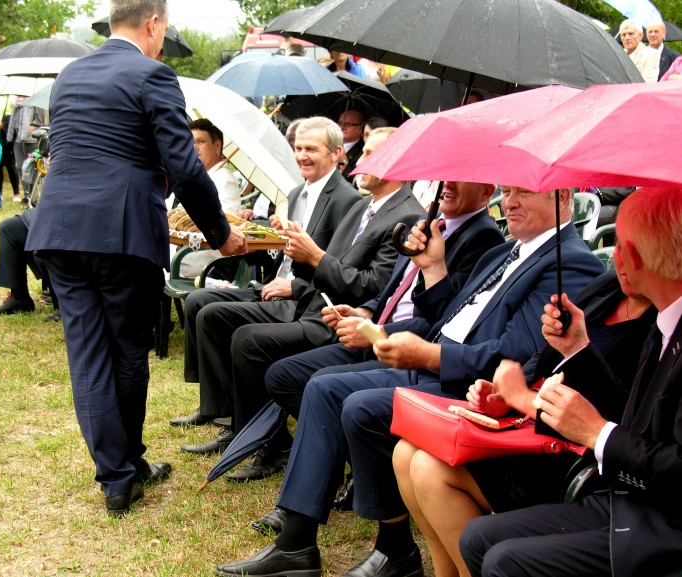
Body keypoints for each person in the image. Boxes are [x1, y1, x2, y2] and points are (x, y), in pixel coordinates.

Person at [214, 186, 604, 577]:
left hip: (472, 387)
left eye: (525, 193)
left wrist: (428, 355)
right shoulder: (503, 252)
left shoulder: (568, 263)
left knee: (359, 408)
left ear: (562, 198)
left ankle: (393, 548)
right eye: (509, 191)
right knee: (322, 387)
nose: (511, 202)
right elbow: (445, 319)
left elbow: (513, 358)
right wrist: (431, 271)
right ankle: (299, 542)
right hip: (433, 364)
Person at [25, 0, 247, 517]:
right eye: (163, 31)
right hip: (121, 231)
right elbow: (185, 167)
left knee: (88, 354)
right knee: (127, 350)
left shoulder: (69, 76)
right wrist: (220, 233)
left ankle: (119, 473)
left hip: (60, 227)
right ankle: (124, 471)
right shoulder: (153, 74)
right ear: (153, 24)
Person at [459, 187, 682, 577]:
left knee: (504, 561)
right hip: (629, 498)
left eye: (619, 245)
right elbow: (630, 414)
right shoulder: (665, 322)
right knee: (477, 537)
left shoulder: (665, 325)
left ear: (632, 257)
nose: (615, 257)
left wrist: (597, 432)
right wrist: (577, 349)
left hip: (664, 523)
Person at [254, 181, 504, 528]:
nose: (447, 185)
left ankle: (300, 521)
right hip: (375, 331)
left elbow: (447, 321)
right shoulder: (428, 223)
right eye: (443, 178)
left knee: (324, 386)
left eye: (460, 179)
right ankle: (357, 463)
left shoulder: (483, 238)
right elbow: (393, 287)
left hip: (407, 348)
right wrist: (366, 312)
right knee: (283, 376)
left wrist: (381, 332)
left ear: (487, 191)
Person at [180, 128, 422, 466]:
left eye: (370, 154)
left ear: (397, 161)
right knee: (213, 313)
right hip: (312, 302)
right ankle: (234, 424)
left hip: (336, 319)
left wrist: (313, 258)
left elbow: (373, 288)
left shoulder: (406, 215)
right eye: (364, 151)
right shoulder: (364, 206)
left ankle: (269, 444)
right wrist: (294, 248)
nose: (359, 160)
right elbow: (327, 264)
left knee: (247, 340)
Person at [393, 268, 654, 577]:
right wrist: (503, 395)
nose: (622, 259)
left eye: (635, 249)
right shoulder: (608, 287)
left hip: (574, 460)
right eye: (620, 246)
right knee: (404, 453)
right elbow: (545, 357)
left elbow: (621, 418)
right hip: (531, 430)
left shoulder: (663, 324)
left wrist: (524, 399)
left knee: (428, 468)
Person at [170, 117, 360, 429]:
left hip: (302, 298)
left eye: (311, 149)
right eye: (298, 148)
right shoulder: (296, 193)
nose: (302, 156)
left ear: (337, 153)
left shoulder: (347, 200)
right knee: (199, 301)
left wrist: (295, 286)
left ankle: (236, 417)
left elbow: (337, 265)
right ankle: (216, 405)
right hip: (273, 284)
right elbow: (281, 249)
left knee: (214, 314)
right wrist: (253, 243)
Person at [178, 118, 242, 279]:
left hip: (200, 261)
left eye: (200, 141)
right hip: (181, 252)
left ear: (217, 146)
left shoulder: (224, 180)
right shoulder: (195, 177)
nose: (194, 148)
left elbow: (222, 226)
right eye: (190, 142)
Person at [6, 96, 42, 202]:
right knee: (20, 167)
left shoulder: (35, 100)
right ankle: (26, 194)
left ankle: (33, 194)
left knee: (30, 167)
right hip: (18, 138)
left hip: (31, 139)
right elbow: (13, 120)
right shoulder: (16, 103)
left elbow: (39, 119)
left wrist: (33, 126)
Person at [619, 19, 659, 83]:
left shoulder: (651, 55)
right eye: (624, 35)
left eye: (631, 34)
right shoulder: (618, 54)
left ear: (640, 36)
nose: (627, 38)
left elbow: (648, 83)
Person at [338, 109, 365, 183]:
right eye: (340, 123)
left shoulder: (363, 152)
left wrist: (344, 163)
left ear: (360, 129)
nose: (343, 127)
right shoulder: (329, 145)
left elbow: (352, 181)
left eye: (348, 124)